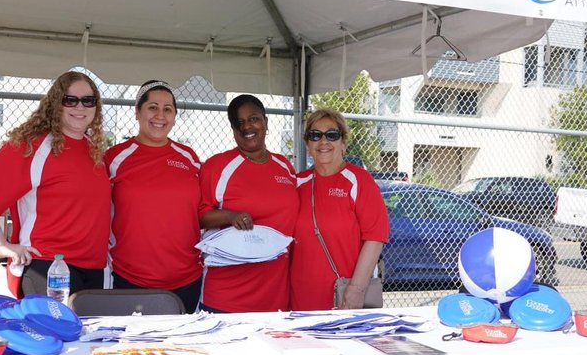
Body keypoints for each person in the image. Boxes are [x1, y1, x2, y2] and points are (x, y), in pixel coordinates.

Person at [0, 71, 110, 297]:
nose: (80, 107)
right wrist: (2, 246)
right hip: (49, 265)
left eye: (88, 101)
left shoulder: (94, 149)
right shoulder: (34, 146)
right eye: (70, 100)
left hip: (93, 268)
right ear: (56, 104)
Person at [104, 80, 203, 313]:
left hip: (187, 278)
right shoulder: (114, 159)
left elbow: (204, 209)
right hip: (130, 279)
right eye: (152, 107)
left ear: (175, 116)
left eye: (168, 109)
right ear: (137, 112)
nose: (160, 115)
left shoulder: (189, 157)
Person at [198, 94, 298, 312]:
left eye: (253, 119)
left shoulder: (284, 166)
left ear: (265, 122)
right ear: (233, 129)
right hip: (227, 297)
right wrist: (229, 216)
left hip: (275, 296)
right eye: (239, 122)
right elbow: (199, 216)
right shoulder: (217, 166)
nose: (247, 127)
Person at [290, 109, 389, 310]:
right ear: (307, 144)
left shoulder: (359, 181)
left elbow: (375, 238)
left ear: (343, 142)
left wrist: (356, 290)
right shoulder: (297, 183)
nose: (323, 141)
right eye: (315, 135)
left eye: (332, 135)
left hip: (344, 299)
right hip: (300, 299)